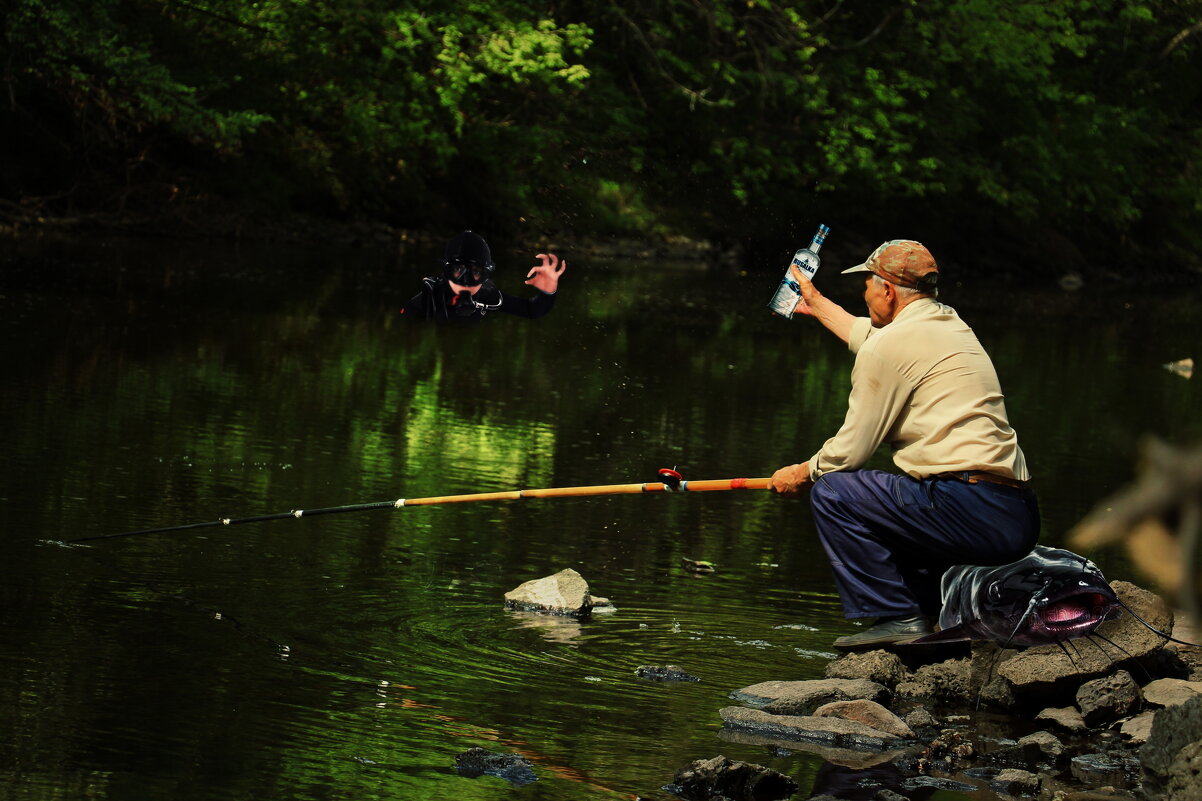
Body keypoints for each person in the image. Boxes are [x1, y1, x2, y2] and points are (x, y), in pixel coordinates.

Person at [769, 239, 1039, 651]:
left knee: (835, 493)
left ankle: (900, 617)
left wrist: (802, 472)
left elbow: (849, 454)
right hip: (1016, 516)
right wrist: (816, 302)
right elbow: (870, 335)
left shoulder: (891, 345)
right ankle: (930, 617)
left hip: (969, 507)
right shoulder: (947, 323)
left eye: (867, 284)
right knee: (901, 503)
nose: (864, 293)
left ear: (888, 291)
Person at [402, 230, 565, 323]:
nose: (466, 282)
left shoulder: (488, 296)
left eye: (476, 272)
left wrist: (548, 291)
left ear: (485, 276)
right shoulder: (429, 297)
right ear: (446, 271)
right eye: (458, 270)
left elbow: (532, 310)